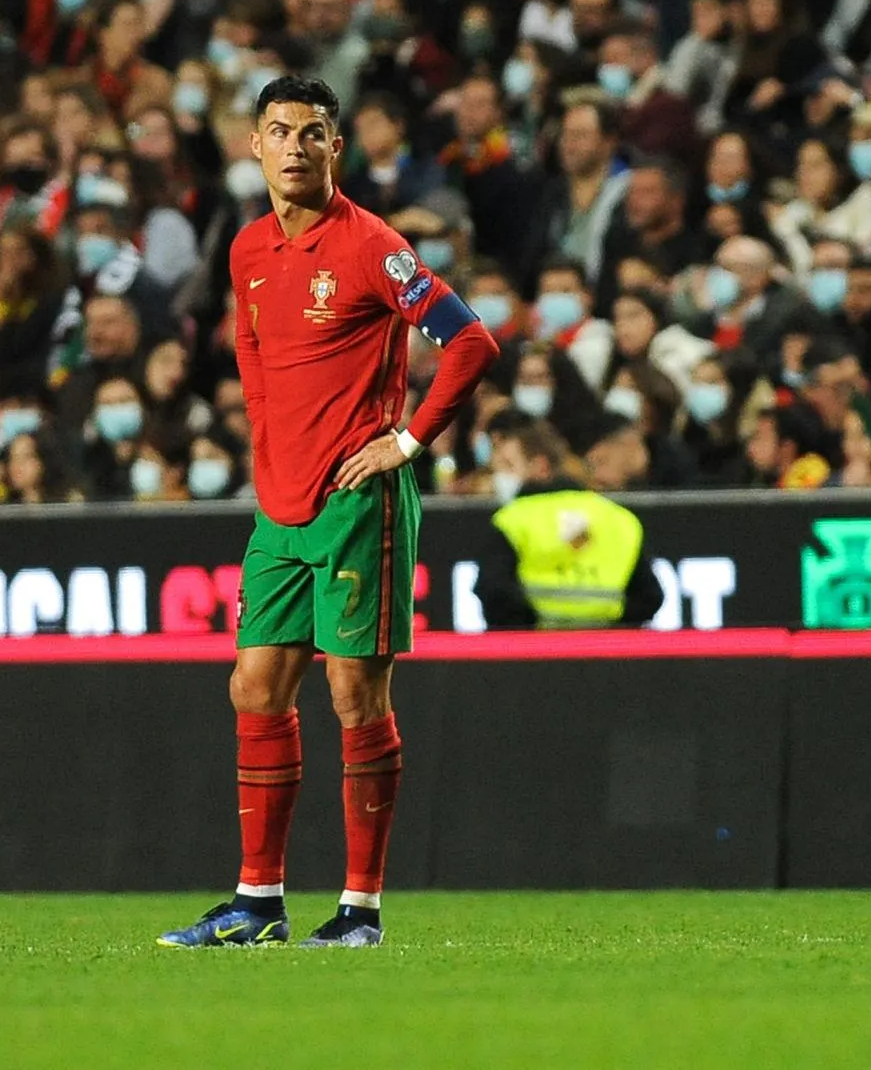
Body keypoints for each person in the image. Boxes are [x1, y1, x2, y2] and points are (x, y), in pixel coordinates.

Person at [160, 76, 497, 952]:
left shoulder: (373, 247)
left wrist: (409, 441)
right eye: (281, 131)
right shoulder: (246, 251)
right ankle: (257, 901)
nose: (297, 146)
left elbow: (469, 342)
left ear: (336, 148)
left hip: (358, 503)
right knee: (255, 685)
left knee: (354, 692)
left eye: (314, 133)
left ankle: (359, 910)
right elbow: (250, 344)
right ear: (254, 145)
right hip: (281, 507)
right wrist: (270, 453)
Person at [475, 420, 664, 628]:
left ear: (541, 466)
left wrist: (533, 625)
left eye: (508, 464)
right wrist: (610, 625)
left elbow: (493, 591)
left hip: (536, 650)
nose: (498, 476)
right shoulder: (619, 518)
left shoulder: (513, 519)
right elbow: (650, 597)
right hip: (607, 650)